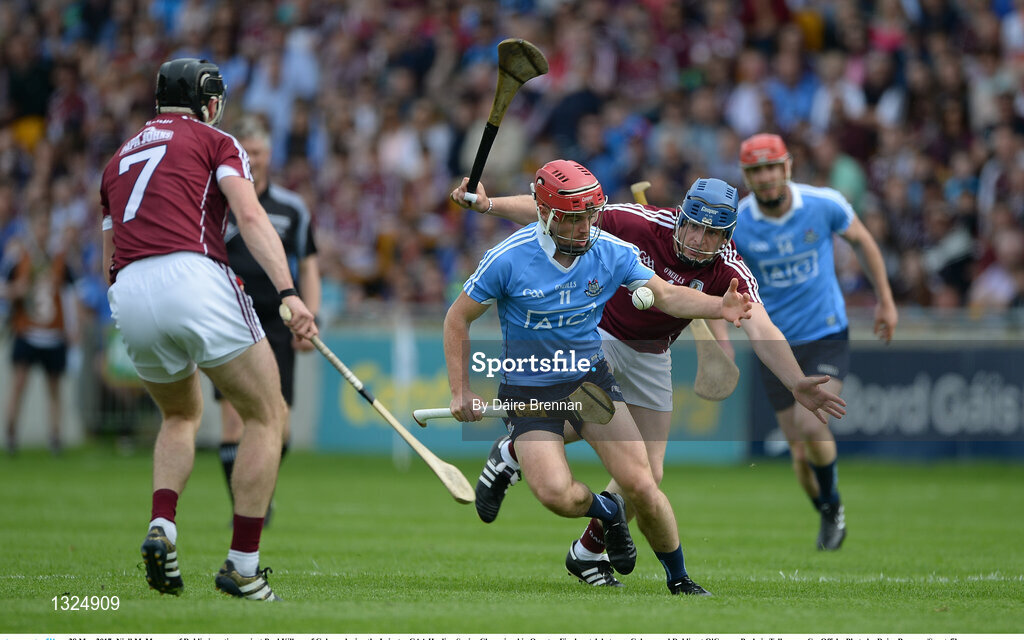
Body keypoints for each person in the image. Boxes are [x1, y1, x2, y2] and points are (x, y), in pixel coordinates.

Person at [451, 175, 847, 586]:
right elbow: (560, 214)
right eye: (693, 224)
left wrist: (795, 380)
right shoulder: (638, 222)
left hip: (653, 355)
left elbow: (759, 326)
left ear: (727, 235)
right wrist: (488, 205)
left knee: (648, 476)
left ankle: (586, 550)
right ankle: (520, 447)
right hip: (601, 337)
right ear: (680, 216)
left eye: (711, 233)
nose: (698, 238)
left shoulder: (730, 271)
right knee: (577, 421)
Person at [100, 58, 317, 601]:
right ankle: (243, 568)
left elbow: (109, 254)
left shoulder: (117, 159)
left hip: (128, 289)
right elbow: (249, 216)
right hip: (193, 274)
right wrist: (289, 293)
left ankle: (163, 525)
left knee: (180, 414)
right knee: (267, 415)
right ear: (208, 101)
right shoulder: (218, 142)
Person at [733, 133, 898, 550]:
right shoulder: (738, 223)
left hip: (825, 332)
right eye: (756, 171)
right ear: (747, 177)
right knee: (799, 457)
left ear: (787, 167)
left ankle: (835, 506)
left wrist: (885, 301)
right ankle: (827, 511)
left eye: (772, 167)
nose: (766, 177)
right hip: (775, 346)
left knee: (812, 424)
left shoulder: (824, 204)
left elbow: (863, 241)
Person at [213, 116, 321, 524]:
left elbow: (309, 264)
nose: (253, 160)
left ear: (269, 154)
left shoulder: (292, 208)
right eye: (246, 153)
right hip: (231, 319)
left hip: (278, 321)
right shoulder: (217, 205)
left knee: (281, 425)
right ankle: (244, 505)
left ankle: (260, 491)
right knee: (233, 420)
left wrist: (311, 314)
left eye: (258, 153)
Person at [4, 208, 75, 456]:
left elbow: (70, 292)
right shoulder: (19, 255)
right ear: (33, 228)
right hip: (26, 330)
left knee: (54, 387)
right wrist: (16, 290)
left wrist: (71, 328)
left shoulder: (59, 259)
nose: (43, 231)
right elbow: (4, 286)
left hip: (53, 333)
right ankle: (11, 434)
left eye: (47, 226)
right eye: (40, 225)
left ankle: (55, 437)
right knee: (19, 384)